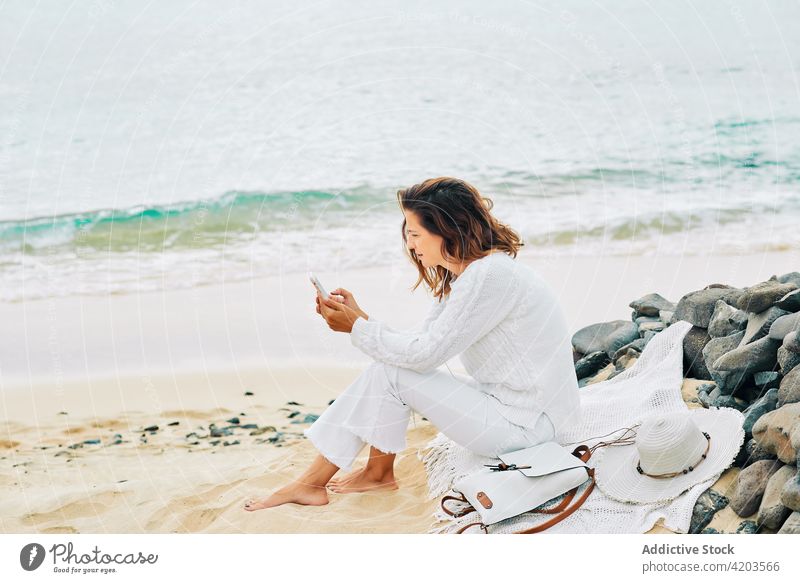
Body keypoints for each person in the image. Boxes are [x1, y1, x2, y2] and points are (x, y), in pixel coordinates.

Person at [244, 176, 581, 511]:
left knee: (394, 373)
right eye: (407, 233)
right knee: (391, 370)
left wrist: (357, 329)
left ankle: (313, 483)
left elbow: (423, 356)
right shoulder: (473, 275)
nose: (410, 244)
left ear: (449, 230)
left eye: (416, 233)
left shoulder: (488, 277)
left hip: (529, 428)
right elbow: (420, 344)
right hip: (519, 412)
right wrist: (361, 319)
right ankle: (376, 474)